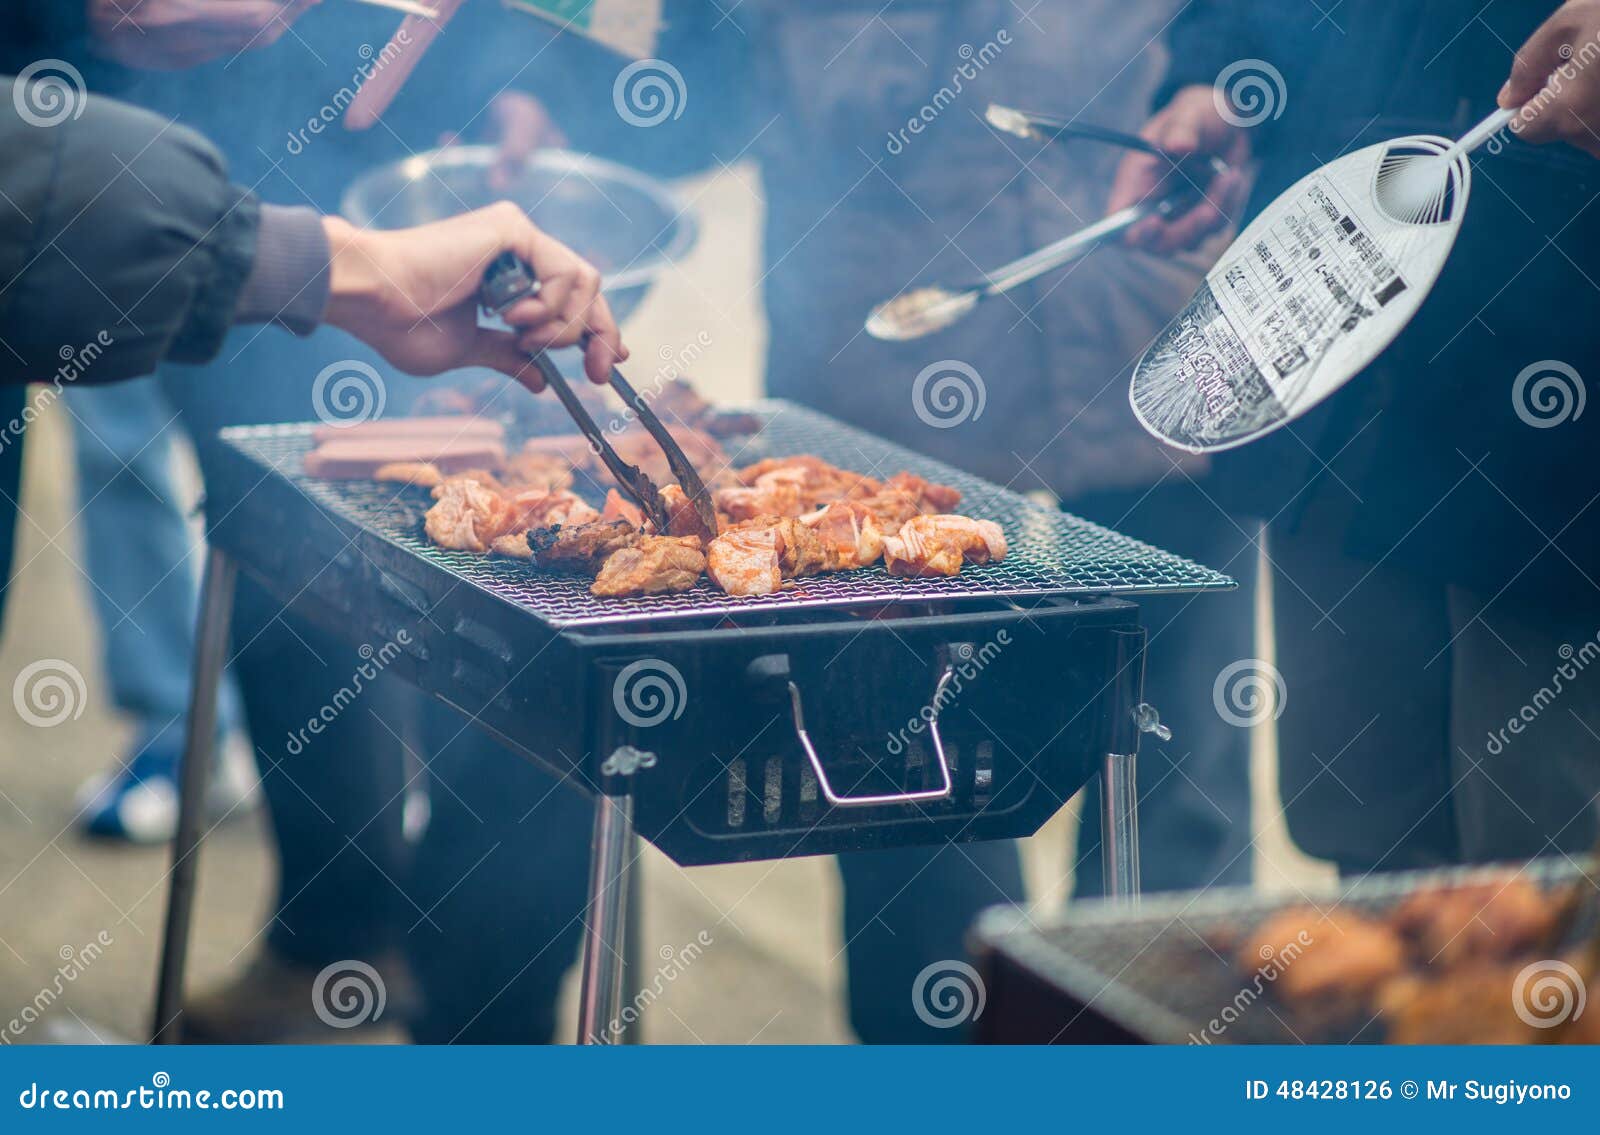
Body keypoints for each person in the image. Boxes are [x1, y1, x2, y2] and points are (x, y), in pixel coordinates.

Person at [1105, 0, 1600, 874]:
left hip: (1560, 385)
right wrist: (1222, 76)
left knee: (1544, 859)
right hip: (1333, 347)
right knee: (1363, 829)